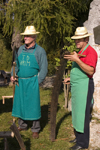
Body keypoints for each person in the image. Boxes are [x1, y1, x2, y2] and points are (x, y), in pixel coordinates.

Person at [11, 26, 48, 139]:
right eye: (24, 36)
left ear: (34, 37)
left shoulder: (40, 51)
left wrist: (37, 81)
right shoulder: (21, 49)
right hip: (20, 82)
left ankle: (35, 129)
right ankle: (22, 125)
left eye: (27, 36)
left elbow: (44, 69)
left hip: (32, 81)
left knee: (33, 104)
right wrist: (14, 75)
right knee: (21, 103)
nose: (25, 38)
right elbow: (17, 64)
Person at [64, 27, 98, 150]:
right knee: (77, 113)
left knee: (82, 115)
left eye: (79, 39)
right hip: (77, 86)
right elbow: (79, 70)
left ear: (86, 39)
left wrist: (77, 60)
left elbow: (90, 70)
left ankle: (82, 143)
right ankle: (78, 137)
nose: (76, 42)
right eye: (76, 39)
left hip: (84, 86)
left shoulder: (91, 52)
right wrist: (70, 79)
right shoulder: (79, 51)